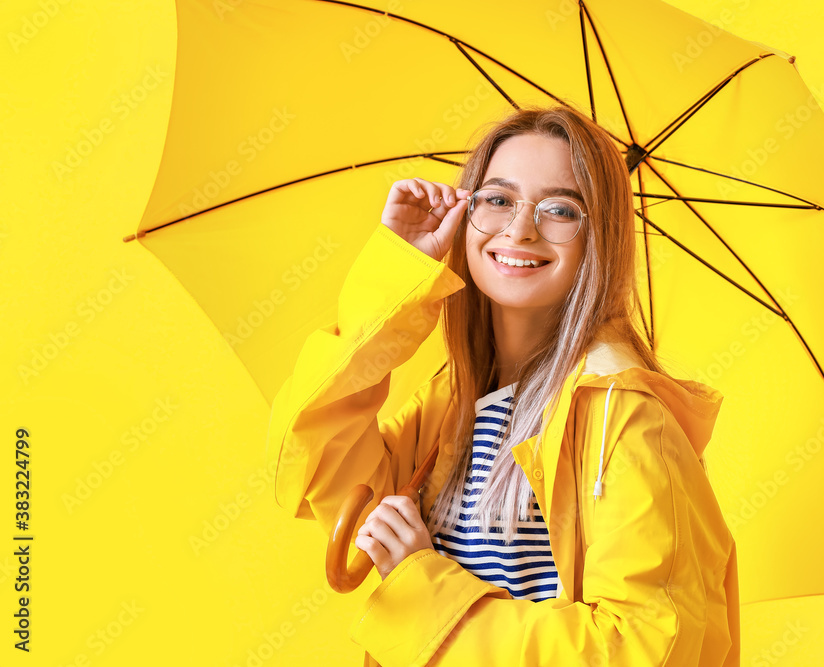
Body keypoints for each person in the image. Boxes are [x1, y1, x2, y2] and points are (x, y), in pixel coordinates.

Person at [264, 105, 739, 666]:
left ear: (600, 239)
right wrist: (400, 277)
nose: (520, 228)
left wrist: (426, 591)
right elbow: (312, 468)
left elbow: (647, 647)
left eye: (561, 209)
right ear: (467, 213)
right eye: (498, 199)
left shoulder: (625, 421)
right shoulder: (451, 407)